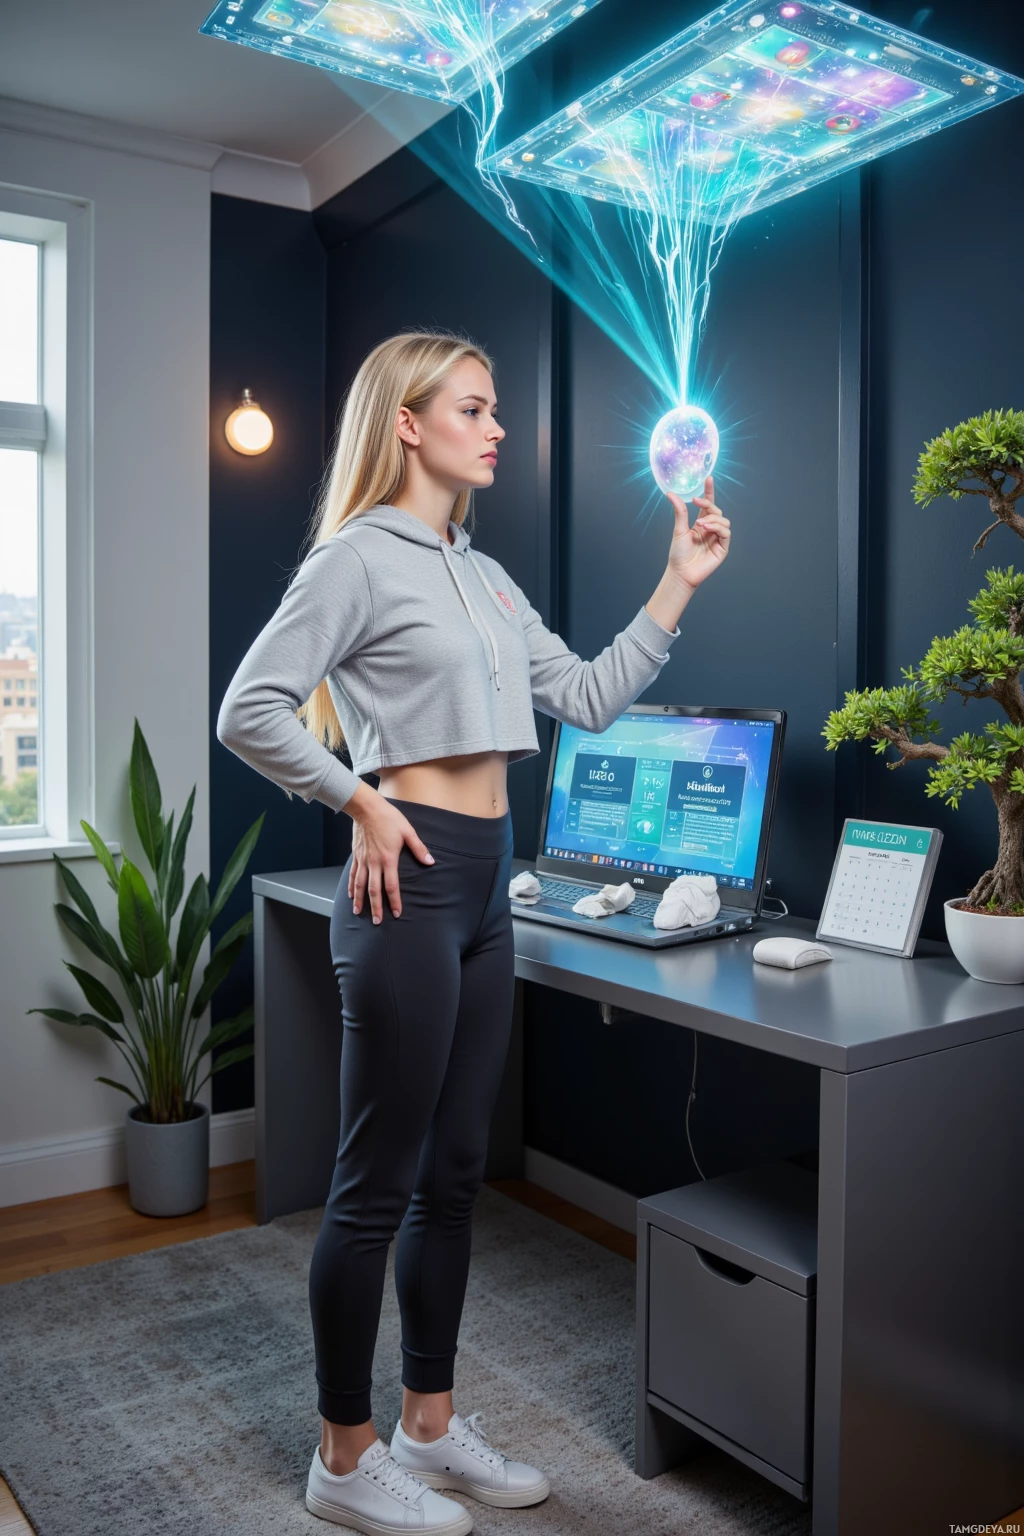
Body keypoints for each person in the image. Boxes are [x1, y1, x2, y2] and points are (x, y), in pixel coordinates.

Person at [216, 329, 731, 1535]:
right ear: (407, 422)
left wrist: (678, 580)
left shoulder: (486, 576)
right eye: (474, 408)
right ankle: (342, 1458)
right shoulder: (355, 558)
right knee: (375, 1186)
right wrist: (358, 800)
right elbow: (249, 708)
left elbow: (587, 696)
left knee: (455, 1175)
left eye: (496, 409)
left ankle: (429, 1427)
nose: (498, 428)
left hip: (491, 881)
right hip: (408, 883)